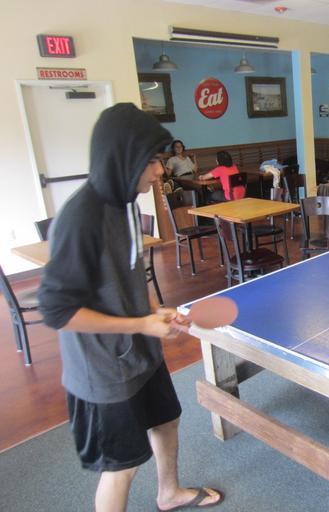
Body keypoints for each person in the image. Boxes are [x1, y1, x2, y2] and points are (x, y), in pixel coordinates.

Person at [38, 103, 224, 512]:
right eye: (152, 161)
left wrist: (156, 310)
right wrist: (141, 324)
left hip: (141, 354)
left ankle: (169, 493)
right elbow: (57, 312)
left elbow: (132, 271)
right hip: (103, 369)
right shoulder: (80, 217)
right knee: (121, 467)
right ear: (123, 157)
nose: (160, 171)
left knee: (166, 420)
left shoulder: (128, 205)